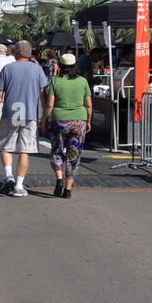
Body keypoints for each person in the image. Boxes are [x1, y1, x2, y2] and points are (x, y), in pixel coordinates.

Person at [0, 40, 50, 198]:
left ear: (17, 52)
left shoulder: (8, 69)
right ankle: (18, 185)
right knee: (25, 149)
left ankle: (9, 175)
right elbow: (43, 94)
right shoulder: (37, 69)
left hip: (11, 112)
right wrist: (44, 116)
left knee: (5, 146)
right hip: (29, 113)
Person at [44, 52, 92, 198]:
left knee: (57, 150)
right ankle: (68, 189)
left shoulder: (55, 81)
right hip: (79, 121)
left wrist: (44, 120)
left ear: (60, 66)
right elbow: (89, 104)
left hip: (59, 120)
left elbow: (50, 104)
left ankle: (59, 179)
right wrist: (88, 121)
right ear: (75, 66)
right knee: (74, 155)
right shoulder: (83, 81)